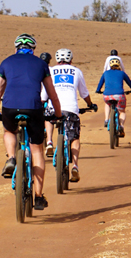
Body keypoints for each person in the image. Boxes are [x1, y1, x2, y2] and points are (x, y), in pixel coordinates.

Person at [0, 34, 61, 210]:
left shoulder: (6, 62)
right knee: (37, 149)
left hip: (10, 107)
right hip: (33, 108)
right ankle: (38, 196)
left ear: (16, 48)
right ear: (33, 49)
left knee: (9, 131)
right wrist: (58, 115)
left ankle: (12, 158)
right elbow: (52, 94)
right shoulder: (41, 64)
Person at [41, 48, 97, 183]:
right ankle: (75, 165)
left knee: (48, 117)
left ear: (56, 59)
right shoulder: (77, 71)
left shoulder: (50, 70)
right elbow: (84, 93)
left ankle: (49, 142)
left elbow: (44, 96)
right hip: (71, 109)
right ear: (71, 59)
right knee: (74, 138)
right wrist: (90, 104)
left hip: (53, 107)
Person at [96, 58, 131, 136]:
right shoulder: (122, 73)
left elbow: (100, 84)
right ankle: (121, 125)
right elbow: (129, 83)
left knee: (107, 104)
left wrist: (98, 90)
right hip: (119, 95)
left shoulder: (105, 73)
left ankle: (106, 119)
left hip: (107, 95)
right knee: (122, 111)